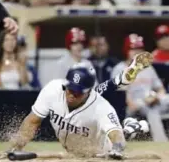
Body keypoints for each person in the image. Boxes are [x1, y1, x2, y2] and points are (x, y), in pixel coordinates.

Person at [9, 52, 153, 159]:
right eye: (69, 89)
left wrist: (117, 150)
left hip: (98, 150)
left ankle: (130, 128)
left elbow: (116, 137)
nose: (71, 95)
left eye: (77, 92)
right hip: (73, 147)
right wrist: (17, 146)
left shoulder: (101, 106)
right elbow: (33, 121)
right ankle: (121, 82)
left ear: (87, 91)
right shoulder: (53, 89)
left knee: (119, 135)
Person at [113, 34, 169, 142]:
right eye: (133, 49)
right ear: (126, 50)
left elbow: (160, 89)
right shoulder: (120, 69)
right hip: (135, 105)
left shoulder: (148, 68)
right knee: (152, 110)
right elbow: (120, 95)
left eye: (139, 49)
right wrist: (134, 103)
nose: (136, 52)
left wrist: (157, 97)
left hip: (154, 101)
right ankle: (162, 143)